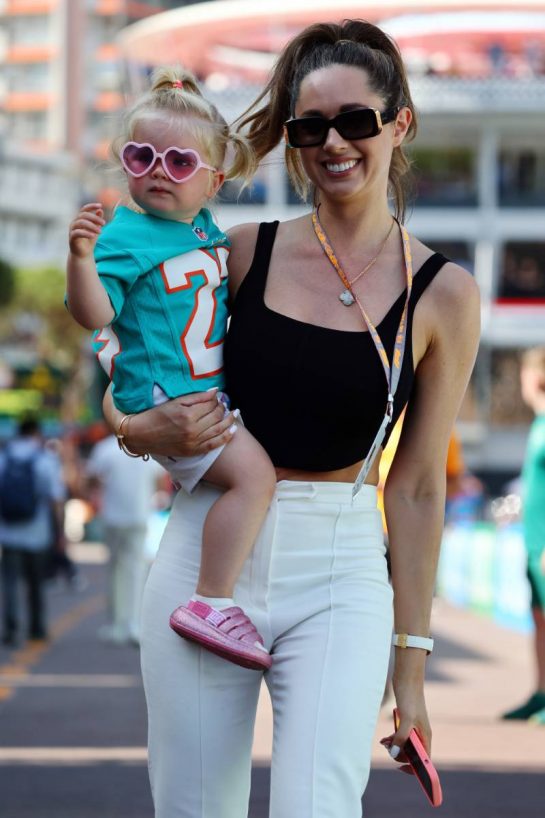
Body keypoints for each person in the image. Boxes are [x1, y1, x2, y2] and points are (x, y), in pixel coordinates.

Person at [104, 19, 480, 817]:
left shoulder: (442, 293)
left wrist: (409, 674)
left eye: (355, 121)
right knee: (194, 806)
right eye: (309, 127)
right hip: (207, 553)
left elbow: (412, 489)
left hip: (340, 569)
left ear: (397, 124)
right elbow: (134, 371)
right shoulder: (239, 252)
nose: (332, 143)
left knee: (317, 805)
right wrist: (135, 430)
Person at [66, 67, 276, 669]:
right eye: (142, 156)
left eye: (180, 162)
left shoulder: (202, 229)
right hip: (173, 401)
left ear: (213, 180)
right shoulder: (123, 234)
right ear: (122, 163)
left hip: (192, 393)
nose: (159, 170)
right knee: (254, 479)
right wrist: (81, 259)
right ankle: (211, 601)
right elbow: (94, 314)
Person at [85, 433, 165, 645]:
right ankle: (134, 624)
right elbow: (160, 479)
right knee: (137, 570)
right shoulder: (146, 445)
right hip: (139, 515)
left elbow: (92, 478)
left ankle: (118, 624)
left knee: (115, 569)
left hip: (112, 516)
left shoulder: (104, 448)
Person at [502, 347, 545, 723]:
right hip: (533, 542)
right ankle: (540, 692)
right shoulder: (537, 424)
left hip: (544, 543)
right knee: (539, 618)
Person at [0, 417, 66, 646]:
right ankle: (36, 628)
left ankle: (10, 628)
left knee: (9, 582)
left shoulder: (4, 458)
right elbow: (55, 499)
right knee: (36, 582)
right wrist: (60, 532)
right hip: (37, 533)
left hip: (8, 533)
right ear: (37, 433)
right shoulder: (44, 459)